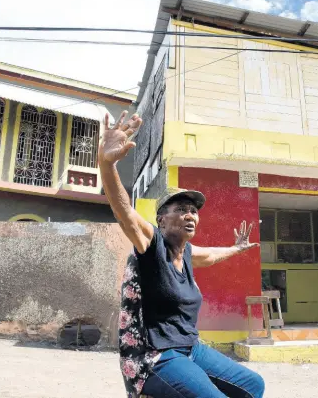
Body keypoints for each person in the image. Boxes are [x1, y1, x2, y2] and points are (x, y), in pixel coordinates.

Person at [99, 111, 265, 398]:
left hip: (190, 347)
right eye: (181, 210)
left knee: (253, 385)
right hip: (153, 355)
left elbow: (211, 256)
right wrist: (106, 163)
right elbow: (124, 212)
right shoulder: (151, 245)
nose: (190, 215)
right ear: (161, 220)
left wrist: (237, 248)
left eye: (194, 211)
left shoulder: (186, 252)